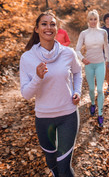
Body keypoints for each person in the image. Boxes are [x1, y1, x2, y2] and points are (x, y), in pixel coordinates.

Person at [19, 11, 82, 176]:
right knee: (52, 163)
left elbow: (77, 72)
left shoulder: (68, 53)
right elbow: (26, 94)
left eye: (52, 24)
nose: (49, 27)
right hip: (44, 118)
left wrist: (77, 91)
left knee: (64, 168)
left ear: (57, 28)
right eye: (44, 24)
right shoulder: (27, 58)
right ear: (37, 29)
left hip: (68, 115)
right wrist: (38, 78)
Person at [75, 9, 109, 127]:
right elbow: (77, 49)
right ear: (88, 20)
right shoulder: (84, 33)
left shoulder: (103, 32)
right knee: (90, 89)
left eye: (95, 19)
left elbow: (106, 45)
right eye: (91, 19)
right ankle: (93, 103)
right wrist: (82, 59)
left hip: (100, 63)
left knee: (99, 89)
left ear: (98, 20)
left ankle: (100, 114)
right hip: (89, 65)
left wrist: (107, 60)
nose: (93, 21)